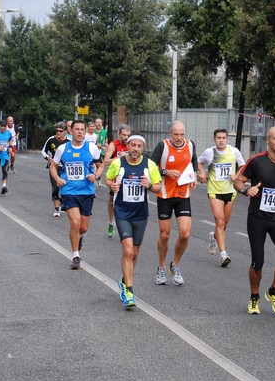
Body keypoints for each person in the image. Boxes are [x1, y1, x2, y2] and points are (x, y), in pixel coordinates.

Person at [233, 126, 275, 316]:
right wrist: (246, 190)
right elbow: (237, 181)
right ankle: (254, 296)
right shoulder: (256, 161)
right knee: (258, 262)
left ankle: (273, 291)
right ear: (268, 141)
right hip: (257, 218)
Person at [105, 133, 162, 307]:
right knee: (128, 251)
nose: (135, 149)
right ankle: (129, 291)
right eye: (132, 145)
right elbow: (108, 179)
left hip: (140, 214)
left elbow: (159, 187)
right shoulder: (118, 163)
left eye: (139, 146)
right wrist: (112, 185)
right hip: (122, 212)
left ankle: (124, 280)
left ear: (142, 148)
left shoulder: (149, 165)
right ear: (127, 146)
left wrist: (150, 186)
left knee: (135, 253)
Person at [49, 120, 104, 270]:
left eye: (82, 129)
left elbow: (101, 166)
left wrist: (96, 175)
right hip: (69, 191)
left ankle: (78, 237)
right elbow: (52, 167)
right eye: (77, 129)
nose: (79, 132)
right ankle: (75, 255)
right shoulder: (62, 149)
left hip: (87, 192)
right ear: (71, 132)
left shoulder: (91, 148)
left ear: (85, 132)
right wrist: (57, 179)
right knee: (75, 222)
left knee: (83, 227)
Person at [151, 120, 198, 286]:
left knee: (185, 234)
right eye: (176, 134)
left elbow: (193, 161)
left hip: (183, 194)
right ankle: (161, 267)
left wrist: (194, 176)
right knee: (165, 235)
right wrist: (165, 171)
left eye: (182, 134)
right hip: (164, 195)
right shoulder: (162, 146)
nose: (179, 138)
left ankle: (175, 265)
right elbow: (150, 167)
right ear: (170, 133)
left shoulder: (190, 145)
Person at [198, 128, 245, 267]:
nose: (221, 140)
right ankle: (223, 254)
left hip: (230, 191)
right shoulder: (209, 152)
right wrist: (201, 172)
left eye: (223, 138)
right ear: (214, 139)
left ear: (227, 139)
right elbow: (198, 162)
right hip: (215, 191)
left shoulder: (234, 151)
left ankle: (214, 237)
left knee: (224, 224)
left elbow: (243, 165)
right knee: (220, 221)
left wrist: (236, 175)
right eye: (218, 138)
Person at [103, 124, 132, 237]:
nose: (126, 137)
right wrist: (120, 158)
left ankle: (127, 225)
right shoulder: (114, 144)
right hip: (116, 178)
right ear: (119, 134)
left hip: (130, 177)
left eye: (128, 135)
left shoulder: (133, 144)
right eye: (124, 135)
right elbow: (106, 161)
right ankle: (111, 222)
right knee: (111, 202)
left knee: (129, 202)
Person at [41, 122, 69, 217]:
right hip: (54, 167)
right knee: (55, 188)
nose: (58, 133)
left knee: (65, 187)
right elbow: (43, 151)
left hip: (65, 168)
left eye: (60, 131)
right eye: (57, 131)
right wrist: (48, 158)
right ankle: (57, 209)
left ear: (65, 131)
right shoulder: (51, 140)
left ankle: (63, 202)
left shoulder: (69, 142)